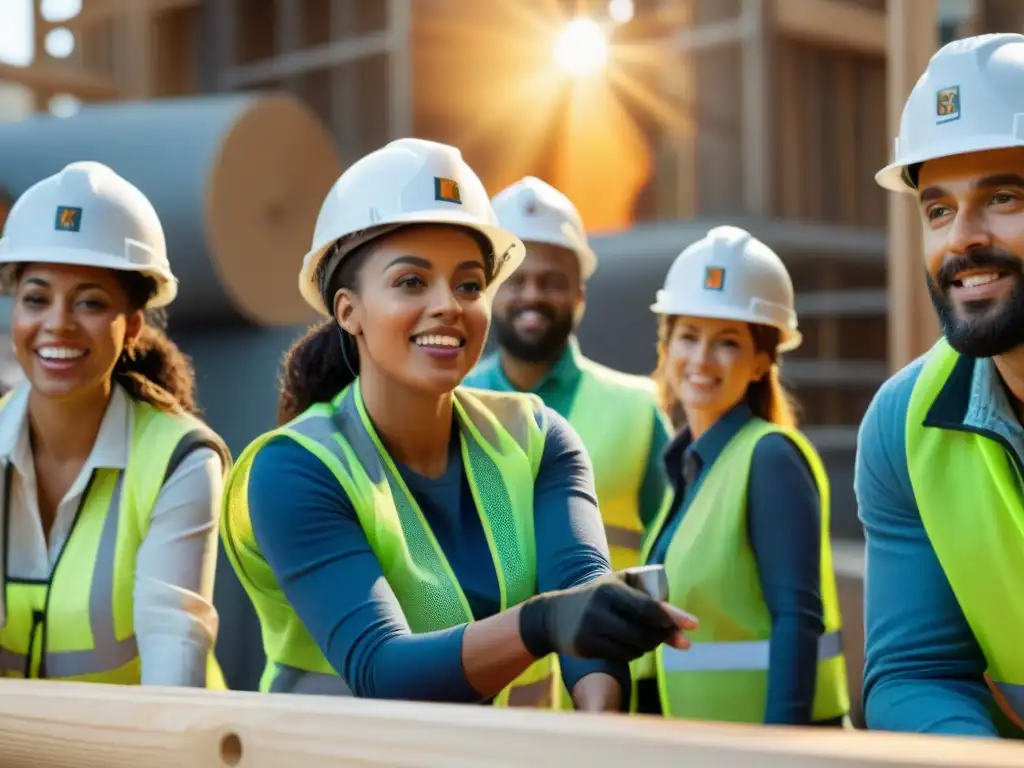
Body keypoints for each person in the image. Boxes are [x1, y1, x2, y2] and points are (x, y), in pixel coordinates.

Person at [220, 138, 695, 711]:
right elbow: (380, 668)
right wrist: (542, 621)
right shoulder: (296, 469)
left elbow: (586, 607)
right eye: (411, 282)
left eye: (469, 284)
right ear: (348, 311)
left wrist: (600, 720)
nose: (449, 304)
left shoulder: (538, 438)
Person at [0, 161, 229, 687]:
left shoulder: (181, 459)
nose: (57, 322)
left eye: (89, 302)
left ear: (130, 327)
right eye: (36, 298)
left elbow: (174, 659)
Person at [859, 32, 1024, 738]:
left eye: (1004, 197)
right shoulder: (903, 423)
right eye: (937, 208)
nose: (961, 239)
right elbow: (915, 673)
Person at [632, 225, 850, 726]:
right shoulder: (691, 467)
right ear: (666, 346)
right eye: (689, 336)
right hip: (702, 741)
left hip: (765, 744)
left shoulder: (769, 457)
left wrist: (778, 753)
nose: (702, 360)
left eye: (727, 342)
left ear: (759, 363)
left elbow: (797, 620)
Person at [464, 176, 671, 571]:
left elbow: (674, 549)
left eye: (551, 281)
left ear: (580, 296)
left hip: (607, 630)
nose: (531, 295)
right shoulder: (447, 403)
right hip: (486, 633)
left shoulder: (639, 410)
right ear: (487, 292)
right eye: (514, 280)